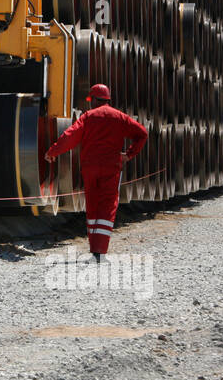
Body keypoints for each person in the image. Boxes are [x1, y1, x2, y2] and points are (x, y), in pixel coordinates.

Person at [44, 84, 148, 262]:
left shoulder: (88, 117)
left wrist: (52, 152)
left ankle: (94, 249)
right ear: (107, 100)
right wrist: (129, 155)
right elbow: (142, 133)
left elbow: (69, 136)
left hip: (90, 168)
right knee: (107, 207)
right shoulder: (120, 117)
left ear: (93, 100)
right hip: (111, 167)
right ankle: (100, 251)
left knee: (92, 204)